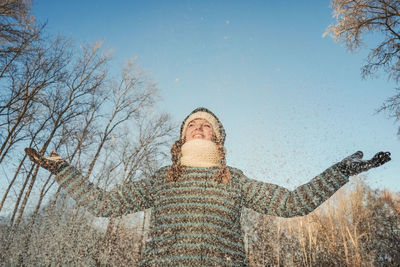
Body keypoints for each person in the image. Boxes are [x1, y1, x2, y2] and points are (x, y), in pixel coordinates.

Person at [25, 107, 391, 266]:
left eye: (206, 127)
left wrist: (340, 171)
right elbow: (103, 205)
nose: (198, 129)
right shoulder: (160, 179)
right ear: (181, 139)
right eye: (191, 126)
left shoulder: (236, 180)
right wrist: (62, 170)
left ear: (218, 139)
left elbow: (293, 203)